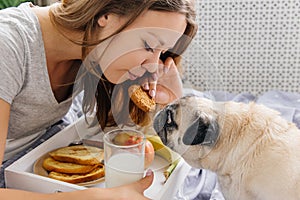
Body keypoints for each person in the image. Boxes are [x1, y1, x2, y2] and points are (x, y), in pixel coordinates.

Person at [0, 0, 197, 199]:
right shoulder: (8, 45)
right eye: (148, 45)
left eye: (161, 52)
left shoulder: (95, 51)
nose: (154, 66)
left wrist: (171, 104)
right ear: (105, 15)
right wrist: (92, 197)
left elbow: (122, 133)